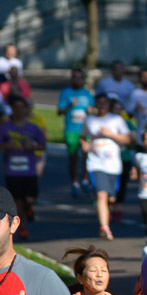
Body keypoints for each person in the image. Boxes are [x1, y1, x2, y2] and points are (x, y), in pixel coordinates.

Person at [80, 94, 131, 240]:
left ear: (108, 105)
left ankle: (106, 214)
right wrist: (84, 145)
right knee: (101, 194)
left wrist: (110, 134)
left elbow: (128, 139)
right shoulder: (89, 120)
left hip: (113, 165)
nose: (102, 106)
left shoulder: (116, 120)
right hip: (95, 163)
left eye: (105, 103)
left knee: (111, 199)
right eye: (99, 103)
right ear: (95, 104)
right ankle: (104, 227)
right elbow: (83, 137)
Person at [0, 96, 46, 240]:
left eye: (21, 107)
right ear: (12, 110)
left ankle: (29, 209)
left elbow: (43, 145)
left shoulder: (33, 128)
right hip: (12, 171)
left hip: (29, 170)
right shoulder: (5, 128)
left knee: (30, 199)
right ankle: (23, 227)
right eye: (16, 107)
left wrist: (33, 146)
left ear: (26, 109)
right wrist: (7, 146)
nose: (19, 110)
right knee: (17, 201)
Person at [57, 68, 94, 198]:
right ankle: (74, 182)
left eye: (80, 78)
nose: (77, 80)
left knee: (87, 156)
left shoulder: (87, 94)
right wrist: (69, 106)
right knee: (72, 158)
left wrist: (91, 110)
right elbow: (59, 111)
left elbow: (92, 109)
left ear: (83, 80)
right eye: (75, 77)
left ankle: (85, 180)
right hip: (71, 130)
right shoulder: (66, 92)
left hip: (84, 130)